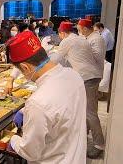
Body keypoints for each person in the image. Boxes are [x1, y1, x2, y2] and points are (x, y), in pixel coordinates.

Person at [7, 31, 87, 163]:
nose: (24, 76)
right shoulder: (73, 75)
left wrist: (14, 140)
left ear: (25, 67)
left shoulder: (37, 103)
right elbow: (61, 110)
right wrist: (24, 112)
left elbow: (30, 152)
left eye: (21, 72)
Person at [77, 19, 106, 158]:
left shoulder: (96, 39)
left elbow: (95, 58)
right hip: (88, 77)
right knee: (86, 110)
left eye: (79, 29)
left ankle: (99, 144)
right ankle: (85, 135)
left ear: (84, 28)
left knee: (90, 112)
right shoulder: (90, 38)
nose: (79, 31)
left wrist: (79, 51)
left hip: (92, 77)